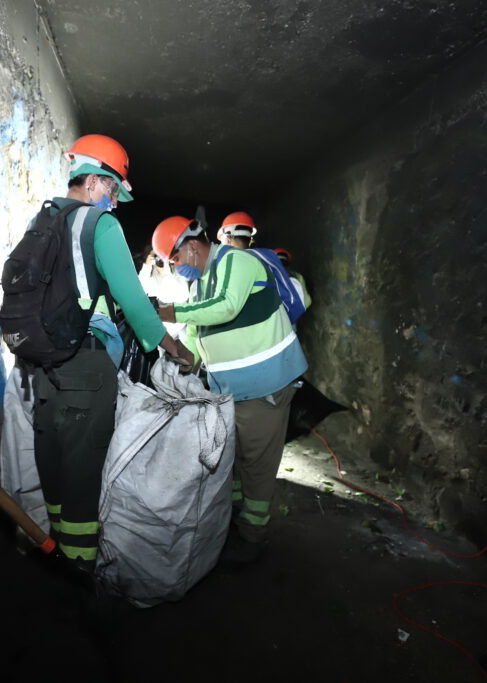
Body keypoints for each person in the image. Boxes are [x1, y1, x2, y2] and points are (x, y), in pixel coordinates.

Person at [28, 135, 191, 574]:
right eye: (114, 189)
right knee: (84, 472)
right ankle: (80, 572)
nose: (115, 202)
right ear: (97, 181)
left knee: (55, 463)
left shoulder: (41, 222)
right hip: (87, 364)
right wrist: (171, 346)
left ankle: (55, 551)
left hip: (43, 369)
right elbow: (133, 300)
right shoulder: (99, 225)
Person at [152, 216, 307, 566]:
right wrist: (179, 358)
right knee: (233, 461)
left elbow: (228, 306)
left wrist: (168, 311)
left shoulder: (238, 262)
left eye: (175, 260)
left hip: (265, 386)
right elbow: (197, 334)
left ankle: (253, 536)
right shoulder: (199, 284)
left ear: (192, 247)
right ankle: (232, 523)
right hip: (231, 392)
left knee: (257, 466)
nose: (175, 268)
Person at [137, 247, 190, 338]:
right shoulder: (152, 275)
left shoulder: (177, 269)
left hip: (182, 327)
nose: (160, 259)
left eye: (161, 255)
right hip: (164, 333)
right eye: (156, 256)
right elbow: (140, 290)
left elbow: (182, 296)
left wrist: (166, 275)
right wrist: (146, 266)